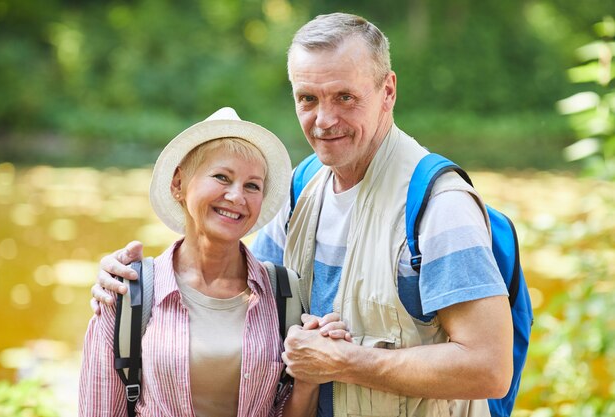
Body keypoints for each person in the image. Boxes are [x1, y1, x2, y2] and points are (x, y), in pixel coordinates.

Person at [92, 13, 514, 417]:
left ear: (388, 92)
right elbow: (242, 290)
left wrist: (345, 362)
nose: (324, 120)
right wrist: (133, 285)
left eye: (345, 97)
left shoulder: (441, 206)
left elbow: (488, 368)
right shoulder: (299, 187)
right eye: (308, 99)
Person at [79, 107, 349, 417]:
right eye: (222, 177)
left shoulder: (284, 294)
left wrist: (309, 377)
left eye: (252, 186)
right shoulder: (127, 294)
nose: (237, 197)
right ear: (178, 183)